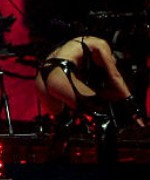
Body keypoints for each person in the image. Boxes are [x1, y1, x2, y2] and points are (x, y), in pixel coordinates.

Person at [34, 35, 144, 163]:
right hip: (59, 71)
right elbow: (115, 77)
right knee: (103, 116)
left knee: (65, 121)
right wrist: (133, 107)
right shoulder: (102, 43)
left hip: (42, 76)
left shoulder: (75, 45)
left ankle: (54, 166)